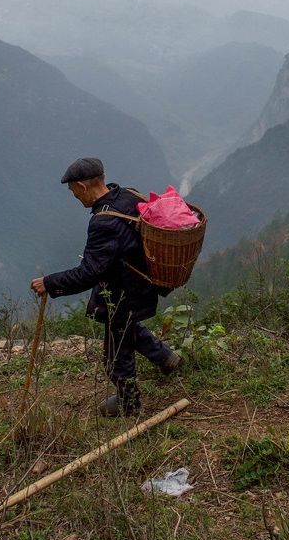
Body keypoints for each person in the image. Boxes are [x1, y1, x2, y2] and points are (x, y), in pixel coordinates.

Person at [31, 157, 181, 416]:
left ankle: (128, 405)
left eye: (73, 191)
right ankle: (166, 359)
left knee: (115, 356)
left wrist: (49, 282)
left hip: (125, 293)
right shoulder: (127, 194)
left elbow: (88, 273)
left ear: (82, 186)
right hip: (141, 283)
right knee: (126, 329)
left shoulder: (103, 222)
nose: (75, 197)